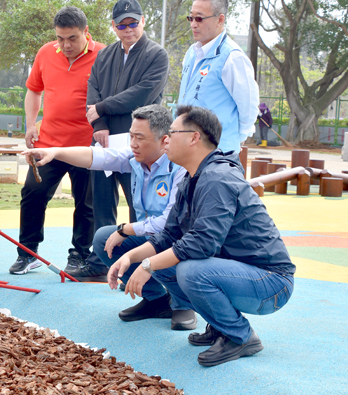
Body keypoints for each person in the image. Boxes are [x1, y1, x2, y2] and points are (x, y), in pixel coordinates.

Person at [109, 105, 295, 367]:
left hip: (271, 283)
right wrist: (130, 258)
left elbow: (202, 242)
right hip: (241, 274)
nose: (166, 138)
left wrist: (148, 266)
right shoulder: (191, 178)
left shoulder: (217, 177)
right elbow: (169, 235)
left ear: (194, 137)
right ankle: (220, 327)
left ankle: (240, 336)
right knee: (169, 264)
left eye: (172, 132)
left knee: (189, 270)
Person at [23, 104, 194, 330]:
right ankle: (157, 300)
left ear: (164, 141)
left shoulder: (180, 167)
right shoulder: (135, 158)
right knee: (104, 239)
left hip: (180, 243)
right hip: (154, 239)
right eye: (131, 136)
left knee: (146, 241)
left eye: (140, 138)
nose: (132, 143)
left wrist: (126, 229)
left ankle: (183, 303)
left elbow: (169, 222)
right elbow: (97, 156)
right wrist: (54, 152)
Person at [76, 0, 169, 282]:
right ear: (113, 26)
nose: (128, 28)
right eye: (121, 24)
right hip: (105, 140)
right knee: (101, 204)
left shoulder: (157, 55)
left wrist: (102, 109)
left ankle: (144, 267)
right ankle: (100, 262)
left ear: (143, 21)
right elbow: (93, 90)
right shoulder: (105, 55)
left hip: (138, 142)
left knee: (138, 205)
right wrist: (99, 123)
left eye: (133, 22)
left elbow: (143, 94)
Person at [9, 6, 105, 276]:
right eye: (60, 38)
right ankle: (27, 253)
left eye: (72, 38)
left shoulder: (104, 55)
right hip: (48, 144)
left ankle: (80, 255)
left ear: (86, 32)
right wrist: (30, 124)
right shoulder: (45, 53)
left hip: (86, 147)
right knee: (32, 194)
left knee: (85, 203)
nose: (65, 45)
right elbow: (33, 90)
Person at [178, 0, 259, 153]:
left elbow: (248, 109)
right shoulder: (191, 53)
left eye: (199, 18)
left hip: (218, 154)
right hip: (187, 151)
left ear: (220, 19)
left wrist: (232, 141)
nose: (193, 24)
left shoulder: (232, 58)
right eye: (191, 17)